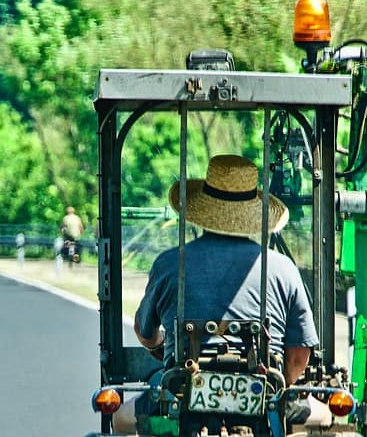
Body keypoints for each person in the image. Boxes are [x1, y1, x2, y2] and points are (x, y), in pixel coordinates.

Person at [133, 154, 318, 386]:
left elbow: (144, 331)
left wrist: (160, 345)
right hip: (265, 391)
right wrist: (281, 391)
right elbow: (300, 353)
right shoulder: (284, 269)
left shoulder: (168, 263)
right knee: (322, 416)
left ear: (200, 208)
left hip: (180, 389)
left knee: (122, 417)